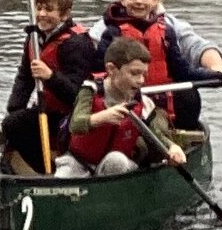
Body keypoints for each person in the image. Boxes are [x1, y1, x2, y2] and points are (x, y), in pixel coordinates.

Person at [92, 0, 222, 131]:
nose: (138, 1)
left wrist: (217, 76)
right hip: (126, 98)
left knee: (189, 94)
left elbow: (183, 71)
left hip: (162, 94)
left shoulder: (167, 30)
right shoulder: (110, 31)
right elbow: (98, 71)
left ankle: (183, 136)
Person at [0, 0, 100, 174]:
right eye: (39, 8)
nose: (42, 14)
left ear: (64, 15)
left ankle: (59, 172)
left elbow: (77, 94)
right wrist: (15, 108)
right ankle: (48, 170)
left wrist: (50, 76)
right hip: (47, 110)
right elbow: (25, 77)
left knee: (16, 126)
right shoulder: (34, 38)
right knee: (12, 124)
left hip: (72, 115)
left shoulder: (76, 43)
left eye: (49, 10)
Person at [63, 36, 188, 178]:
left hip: (119, 166)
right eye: (134, 73)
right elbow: (75, 124)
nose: (140, 80)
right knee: (64, 177)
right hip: (79, 162)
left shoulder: (142, 102)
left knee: (116, 159)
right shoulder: (90, 91)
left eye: (144, 74)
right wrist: (102, 117)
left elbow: (155, 134)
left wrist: (172, 147)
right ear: (111, 69)